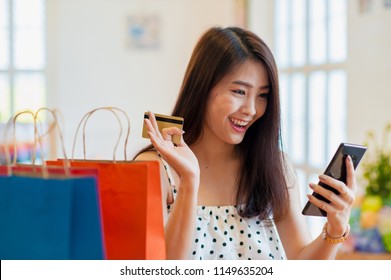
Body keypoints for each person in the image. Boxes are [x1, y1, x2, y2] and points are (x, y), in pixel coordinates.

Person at [134, 26, 357, 260]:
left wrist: (335, 229)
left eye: (262, 95)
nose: (251, 110)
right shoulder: (155, 169)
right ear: (202, 88)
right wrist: (190, 182)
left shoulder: (276, 167)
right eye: (239, 91)